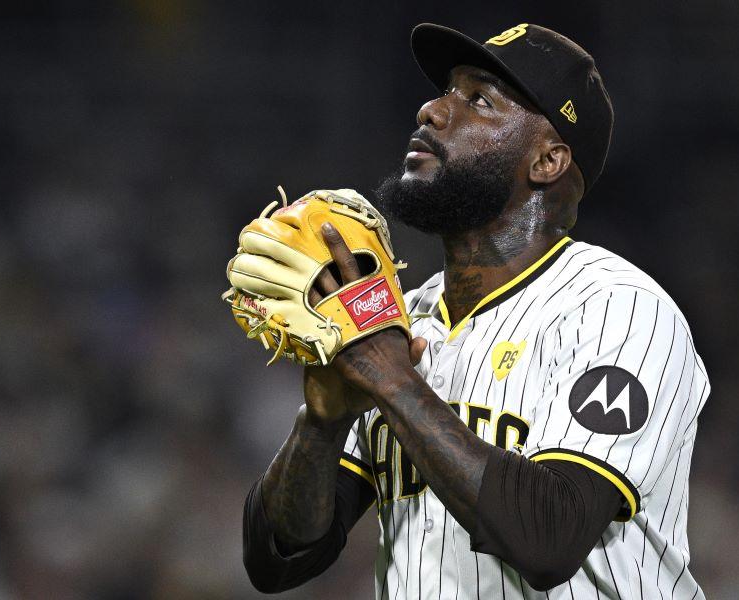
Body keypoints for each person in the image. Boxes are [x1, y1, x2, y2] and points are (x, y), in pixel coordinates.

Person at [241, 22, 708, 599]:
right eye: (446, 90)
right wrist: (324, 421)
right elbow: (278, 560)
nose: (432, 110)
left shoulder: (617, 309)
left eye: (479, 100)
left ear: (548, 160)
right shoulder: (397, 323)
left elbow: (548, 539)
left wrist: (391, 379)